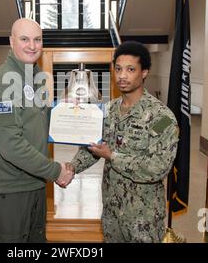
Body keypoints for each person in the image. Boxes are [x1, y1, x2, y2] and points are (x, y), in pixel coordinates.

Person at [69, 41, 179, 243]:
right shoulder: (108, 110)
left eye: (130, 69)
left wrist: (112, 156)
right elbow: (93, 147)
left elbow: (158, 168)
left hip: (143, 219)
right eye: (118, 69)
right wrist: (71, 168)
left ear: (144, 72)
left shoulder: (162, 118)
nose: (122, 76)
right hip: (112, 214)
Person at [0, 18, 74, 243]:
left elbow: (39, 119)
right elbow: (11, 145)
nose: (32, 46)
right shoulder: (2, 82)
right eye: (24, 39)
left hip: (33, 182)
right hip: (9, 189)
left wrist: (67, 109)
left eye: (37, 39)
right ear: (12, 42)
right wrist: (55, 171)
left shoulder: (34, 77)